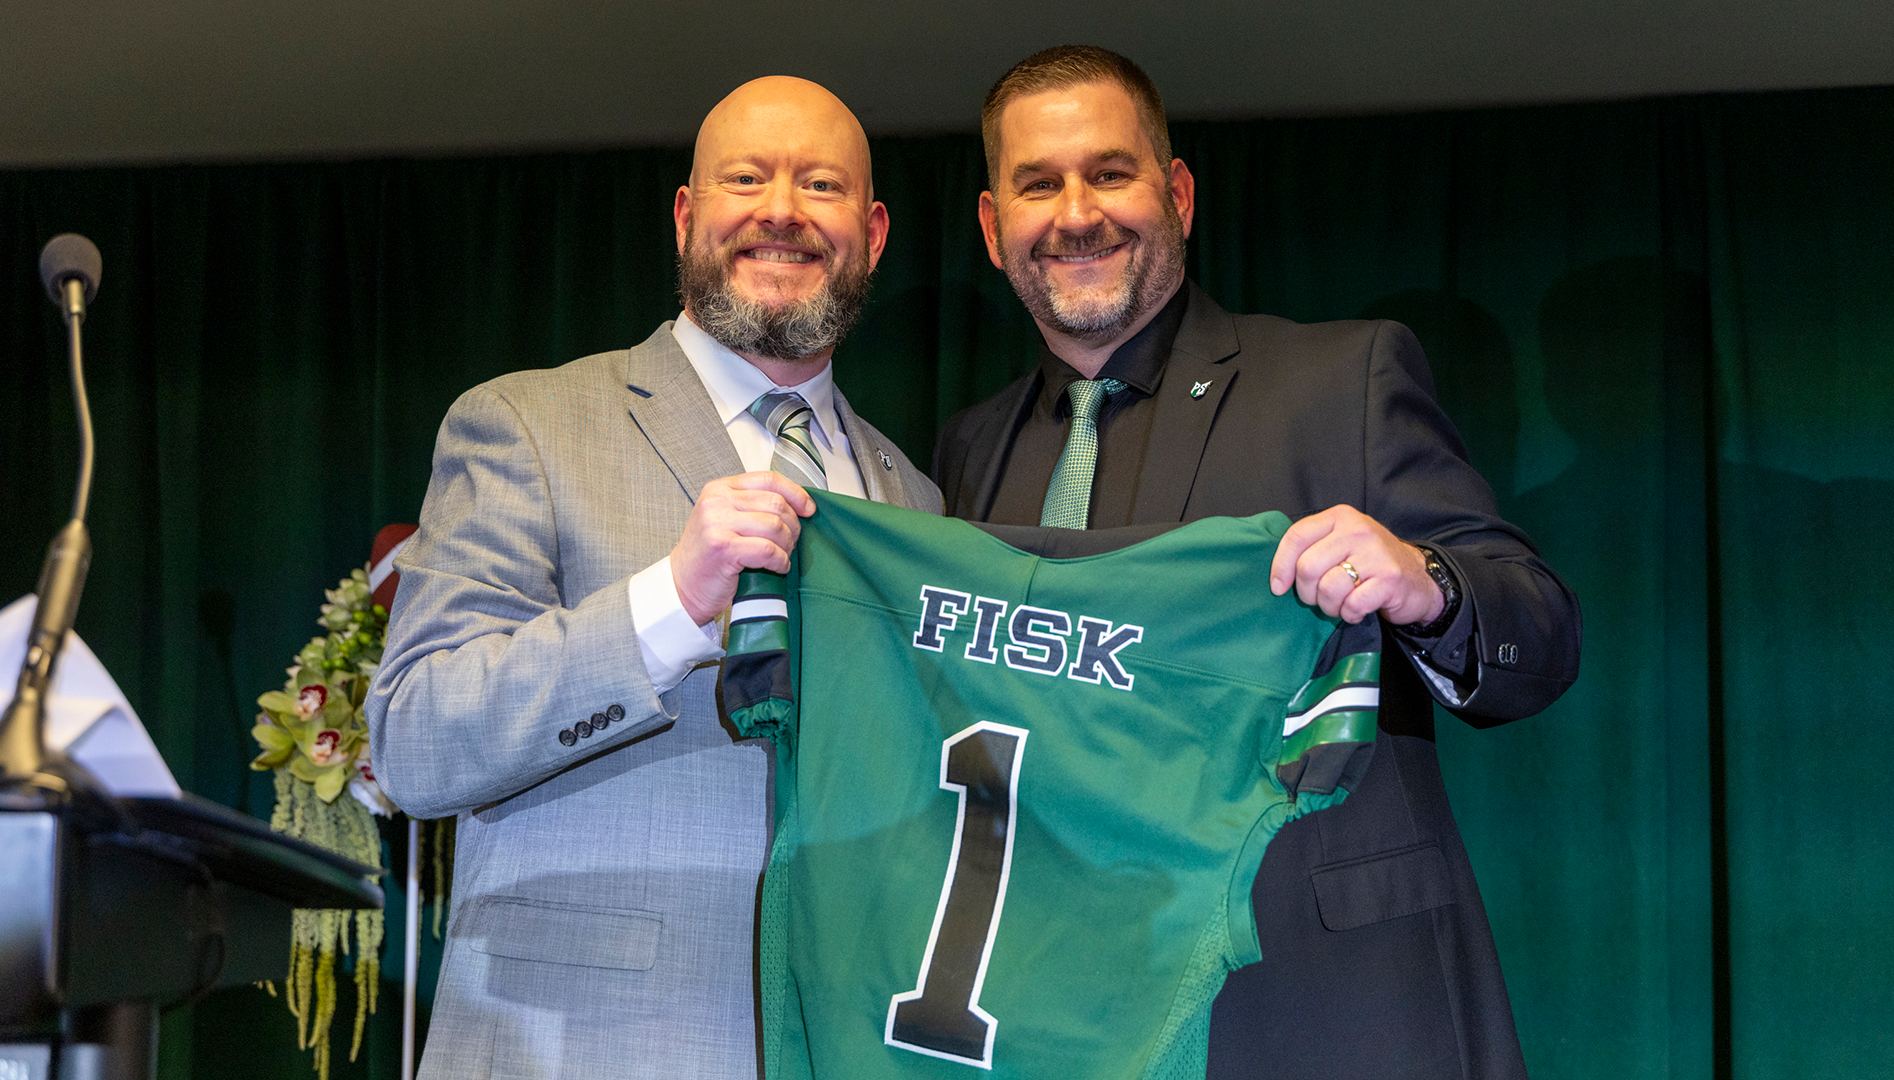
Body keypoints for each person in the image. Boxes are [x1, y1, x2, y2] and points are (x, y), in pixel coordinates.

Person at [934, 46, 1581, 1080]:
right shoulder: (969, 452)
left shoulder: (1343, 377)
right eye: (1037, 183)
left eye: (1110, 172)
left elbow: (1538, 634)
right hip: (1064, 1016)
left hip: (1328, 1006)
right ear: (990, 223)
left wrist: (1423, 581)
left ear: (1177, 192)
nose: (1075, 213)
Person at [367, 76, 941, 1080]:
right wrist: (669, 605)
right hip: (578, 1048)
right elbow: (416, 742)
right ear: (686, 216)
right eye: (746, 178)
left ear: (873, 229)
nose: (780, 211)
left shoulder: (920, 504)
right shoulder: (526, 426)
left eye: (820, 185)